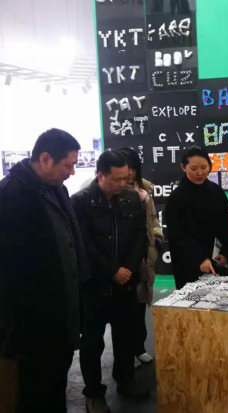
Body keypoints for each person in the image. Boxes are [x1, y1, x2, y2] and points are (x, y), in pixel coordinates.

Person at [0, 129, 86, 412]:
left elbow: (70, 246)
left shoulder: (58, 190)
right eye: (68, 165)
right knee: (33, 392)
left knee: (56, 384)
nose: (73, 172)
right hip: (32, 326)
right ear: (46, 159)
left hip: (61, 316)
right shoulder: (10, 195)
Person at [71, 151, 148, 413]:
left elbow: (140, 236)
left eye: (126, 178)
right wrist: (112, 270)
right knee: (92, 343)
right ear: (100, 175)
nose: (122, 184)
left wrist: (128, 269)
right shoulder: (80, 201)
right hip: (95, 286)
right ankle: (93, 393)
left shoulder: (131, 198)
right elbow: (83, 244)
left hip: (125, 283)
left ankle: (125, 381)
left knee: (125, 337)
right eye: (116, 179)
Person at [118, 147, 164, 367]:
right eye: (126, 167)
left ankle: (138, 347)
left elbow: (153, 219)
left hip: (144, 257)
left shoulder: (145, 189)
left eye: (133, 168)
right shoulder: (109, 190)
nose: (129, 173)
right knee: (122, 311)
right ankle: (125, 356)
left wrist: (157, 238)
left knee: (140, 304)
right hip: (121, 259)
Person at [166, 146, 228, 289]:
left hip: (217, 261)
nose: (200, 173)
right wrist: (200, 258)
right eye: (193, 168)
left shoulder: (216, 191)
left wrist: (226, 253)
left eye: (204, 167)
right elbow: (177, 236)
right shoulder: (177, 197)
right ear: (183, 167)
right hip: (189, 265)